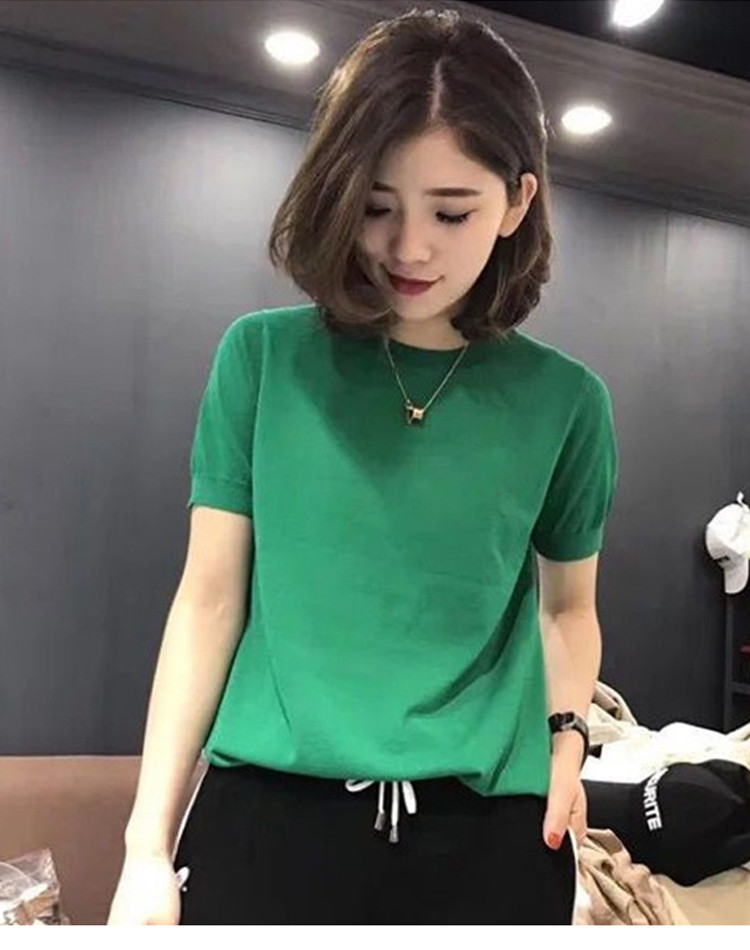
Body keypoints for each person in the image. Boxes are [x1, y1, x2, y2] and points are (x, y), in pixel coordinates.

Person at [107, 7, 618, 926]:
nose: (409, 247)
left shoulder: (566, 401)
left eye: (452, 211)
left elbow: (568, 608)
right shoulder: (263, 360)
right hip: (268, 821)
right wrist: (146, 844)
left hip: (489, 841)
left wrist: (567, 743)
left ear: (517, 203)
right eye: (377, 205)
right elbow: (209, 602)